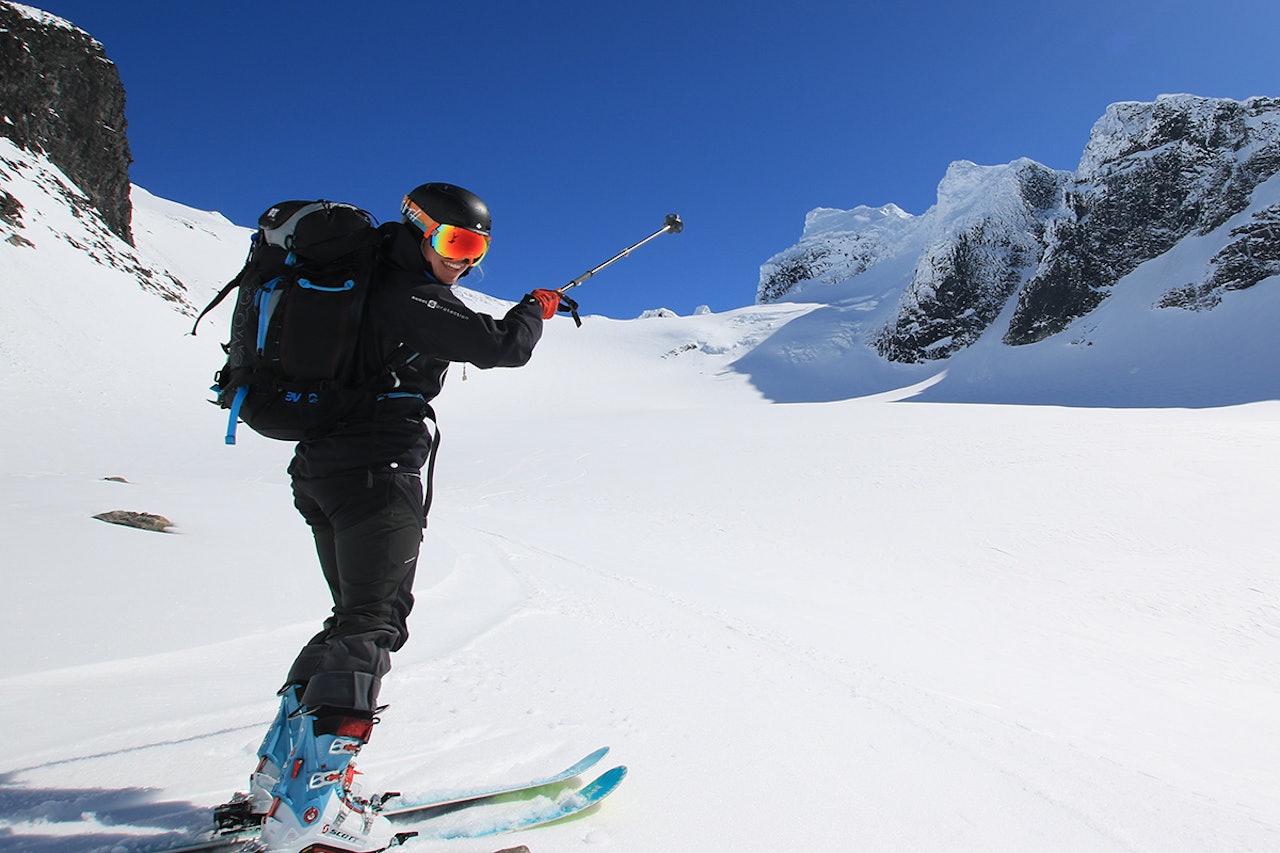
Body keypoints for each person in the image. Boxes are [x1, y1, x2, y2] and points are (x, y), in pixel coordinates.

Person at [237, 183, 564, 853]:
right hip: (374, 472)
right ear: (419, 230)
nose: (463, 262)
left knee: (351, 617)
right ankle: (313, 807)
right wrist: (535, 310)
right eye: (455, 242)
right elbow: (502, 346)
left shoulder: (375, 280)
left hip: (323, 468)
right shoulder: (406, 289)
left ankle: (279, 779)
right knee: (372, 623)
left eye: (476, 250)